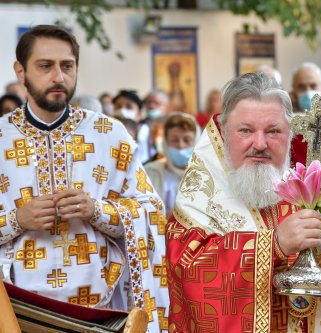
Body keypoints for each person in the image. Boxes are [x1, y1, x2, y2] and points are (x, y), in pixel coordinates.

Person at [166, 72, 321, 332]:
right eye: (245, 130)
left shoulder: (316, 188)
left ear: (290, 134)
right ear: (225, 133)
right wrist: (273, 244)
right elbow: (187, 271)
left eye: (273, 131)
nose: (259, 144)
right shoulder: (201, 195)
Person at [0, 25, 168, 332]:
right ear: (20, 72)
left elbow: (152, 214)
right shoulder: (0, 138)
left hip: (97, 312)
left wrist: (98, 211)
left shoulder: (110, 134)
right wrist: (17, 218)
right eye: (45, 66)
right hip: (14, 313)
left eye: (67, 66)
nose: (58, 77)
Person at [145, 113, 199, 217]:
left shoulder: (207, 175)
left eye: (187, 140)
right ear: (165, 142)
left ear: (196, 142)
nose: (180, 145)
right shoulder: (150, 172)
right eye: (174, 140)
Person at [113, 89, 156, 163]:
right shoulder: (107, 132)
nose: (122, 111)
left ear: (139, 114)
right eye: (118, 106)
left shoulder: (150, 135)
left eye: (129, 107)